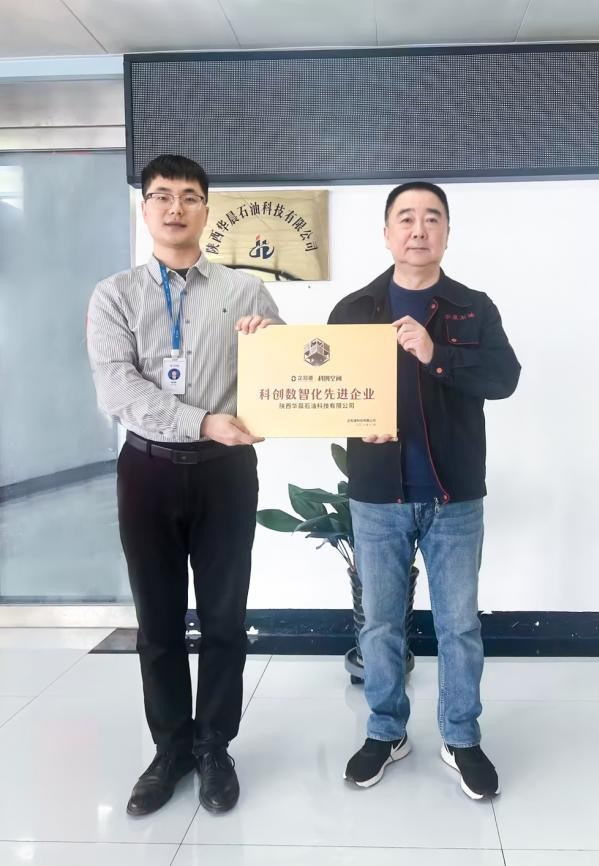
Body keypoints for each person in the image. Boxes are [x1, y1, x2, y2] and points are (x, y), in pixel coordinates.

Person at [87, 154, 282, 816]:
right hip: (147, 471)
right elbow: (118, 388)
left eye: (190, 196)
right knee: (158, 621)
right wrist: (201, 419)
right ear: (145, 208)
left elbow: (285, 377)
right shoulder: (114, 295)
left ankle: (214, 746)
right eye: (163, 196)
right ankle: (170, 749)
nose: (176, 208)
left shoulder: (245, 292)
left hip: (226, 473)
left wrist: (267, 346)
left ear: (206, 209)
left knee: (225, 619)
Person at [328, 181, 520, 799]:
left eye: (431, 218)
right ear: (387, 233)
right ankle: (386, 732)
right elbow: (328, 390)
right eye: (405, 218)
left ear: (446, 232)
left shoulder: (472, 306)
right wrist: (351, 421)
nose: (418, 229)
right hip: (377, 495)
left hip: (453, 495)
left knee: (459, 625)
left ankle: (461, 738)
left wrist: (436, 354)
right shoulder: (355, 308)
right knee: (380, 624)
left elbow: (504, 378)